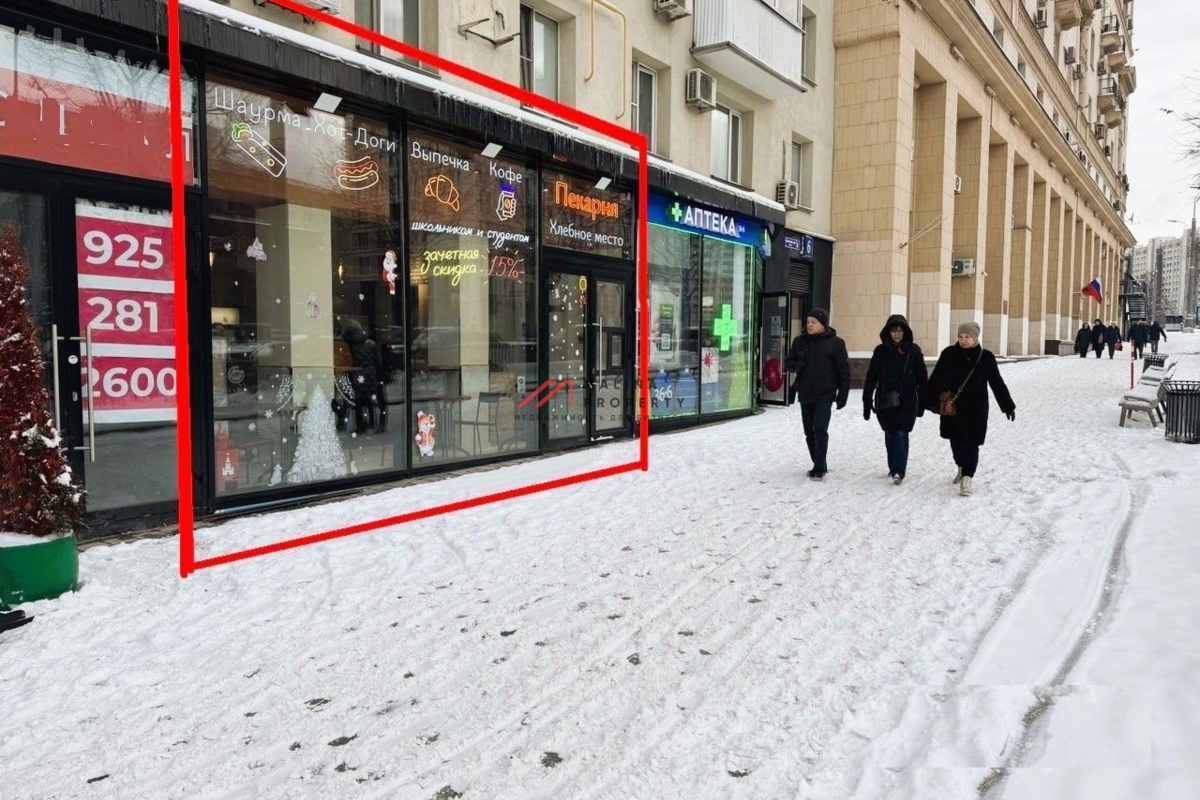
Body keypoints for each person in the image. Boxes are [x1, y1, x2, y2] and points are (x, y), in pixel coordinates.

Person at [925, 322, 1015, 497]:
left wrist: (1007, 405)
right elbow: (935, 379)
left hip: (976, 409)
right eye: (960, 337)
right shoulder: (948, 354)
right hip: (953, 408)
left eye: (967, 337)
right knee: (956, 442)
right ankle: (961, 465)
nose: (963, 340)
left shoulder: (985, 357)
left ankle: (967, 477)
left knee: (972, 443)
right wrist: (928, 402)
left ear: (975, 337)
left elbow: (996, 382)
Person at [862, 314, 929, 485]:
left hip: (907, 400)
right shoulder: (881, 351)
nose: (897, 335)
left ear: (905, 332)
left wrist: (923, 400)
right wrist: (867, 399)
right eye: (893, 331)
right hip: (885, 399)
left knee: (901, 433)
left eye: (900, 331)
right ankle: (893, 467)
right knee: (890, 434)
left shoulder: (913, 350)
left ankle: (899, 470)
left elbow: (922, 377)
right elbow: (872, 376)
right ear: (888, 332)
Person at [785, 308, 851, 481]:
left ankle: (819, 466)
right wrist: (795, 365)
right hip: (806, 393)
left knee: (819, 428)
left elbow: (843, 371)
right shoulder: (799, 342)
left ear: (823, 324)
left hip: (825, 394)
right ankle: (818, 461)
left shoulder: (836, 343)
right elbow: (788, 363)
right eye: (808, 322)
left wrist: (843, 394)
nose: (810, 325)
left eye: (813, 322)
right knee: (809, 431)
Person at [341, 318, 385, 434]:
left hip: (357, 376)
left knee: (357, 400)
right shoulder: (370, 344)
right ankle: (376, 423)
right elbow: (378, 362)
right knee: (373, 399)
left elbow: (348, 362)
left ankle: (360, 425)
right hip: (370, 376)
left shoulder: (348, 345)